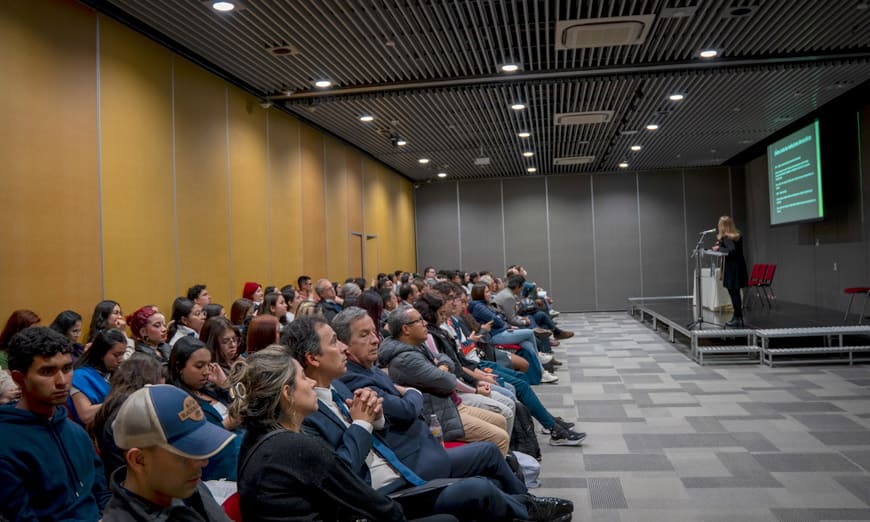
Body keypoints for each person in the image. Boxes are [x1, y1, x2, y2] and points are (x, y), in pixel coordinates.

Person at [282, 317, 569, 522]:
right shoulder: (305, 413)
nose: (343, 348)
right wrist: (363, 423)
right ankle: (529, 511)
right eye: (335, 342)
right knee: (478, 484)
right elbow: (340, 471)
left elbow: (392, 412)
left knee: (487, 461)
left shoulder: (338, 386)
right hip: (379, 493)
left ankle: (526, 507)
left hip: (398, 467)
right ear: (313, 358)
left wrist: (376, 417)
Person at [230, 345, 457, 522]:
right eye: (303, 377)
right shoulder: (295, 447)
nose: (311, 382)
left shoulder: (255, 437)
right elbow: (376, 506)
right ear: (287, 393)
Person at [0, 327, 111, 520]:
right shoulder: (6, 443)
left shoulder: (76, 432)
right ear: (19, 378)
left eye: (67, 369)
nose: (62, 381)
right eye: (47, 371)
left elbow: (101, 493)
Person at [103, 384, 236, 522]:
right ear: (139, 459)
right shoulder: (179, 484)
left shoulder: (184, 484)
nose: (203, 461)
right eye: (185, 454)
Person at [168, 337, 240, 480]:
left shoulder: (210, 388)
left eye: (208, 365)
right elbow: (200, 442)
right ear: (179, 367)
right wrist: (229, 423)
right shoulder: (178, 401)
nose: (206, 371)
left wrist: (226, 385)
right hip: (219, 471)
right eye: (199, 366)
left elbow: (241, 403)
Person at [93, 354, 165, 483]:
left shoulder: (115, 403)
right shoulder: (133, 411)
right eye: (160, 378)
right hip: (129, 482)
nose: (163, 382)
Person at [67, 328, 127, 426]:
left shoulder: (117, 373)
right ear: (101, 354)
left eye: (123, 354)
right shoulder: (79, 377)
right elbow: (85, 416)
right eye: (116, 355)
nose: (121, 360)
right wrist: (118, 401)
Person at [713, 215, 749, 327]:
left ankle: (737, 317)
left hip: (733, 268)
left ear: (722, 226)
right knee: (735, 293)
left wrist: (718, 249)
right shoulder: (736, 236)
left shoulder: (727, 237)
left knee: (734, 293)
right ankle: (737, 317)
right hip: (738, 267)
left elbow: (731, 252)